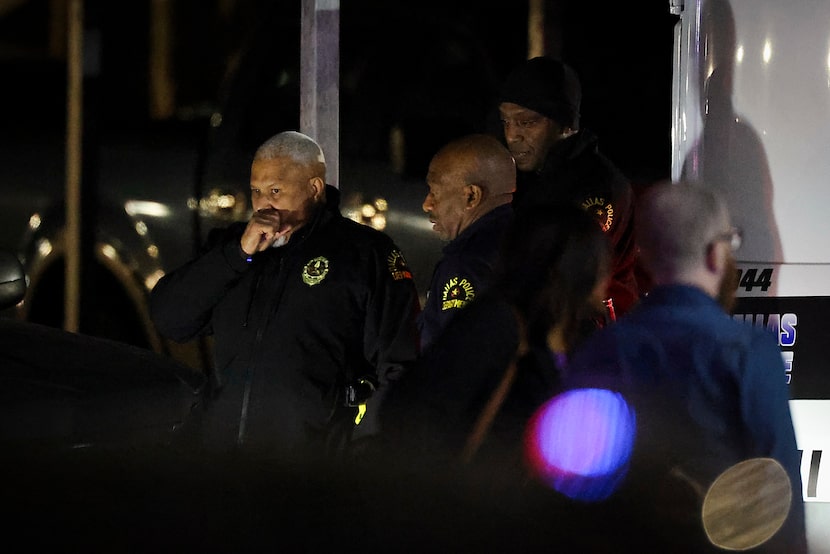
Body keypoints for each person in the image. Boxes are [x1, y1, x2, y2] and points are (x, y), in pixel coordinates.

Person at [564, 181, 807, 552]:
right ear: (715, 254)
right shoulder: (748, 350)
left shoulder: (600, 349)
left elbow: (574, 482)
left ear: (644, 257)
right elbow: (778, 489)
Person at [149, 130, 421, 461]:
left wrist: (360, 451)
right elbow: (170, 320)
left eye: (275, 191)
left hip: (309, 470)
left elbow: (399, 366)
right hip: (224, 464)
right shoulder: (232, 247)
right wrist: (237, 255)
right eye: (256, 191)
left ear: (314, 188)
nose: (264, 205)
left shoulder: (364, 253)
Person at [380, 202, 611, 477]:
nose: (607, 275)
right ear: (574, 267)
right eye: (600, 262)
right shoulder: (496, 324)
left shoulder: (576, 337)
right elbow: (409, 412)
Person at [497, 56, 640, 318]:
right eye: (506, 121)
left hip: (593, 328)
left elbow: (569, 273)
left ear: (565, 124)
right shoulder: (527, 175)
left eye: (526, 122)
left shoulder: (597, 186)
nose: (512, 135)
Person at [417, 133, 516, 352]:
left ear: (472, 196)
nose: (427, 204)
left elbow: (455, 357)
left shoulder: (465, 264)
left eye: (435, 192)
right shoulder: (526, 242)